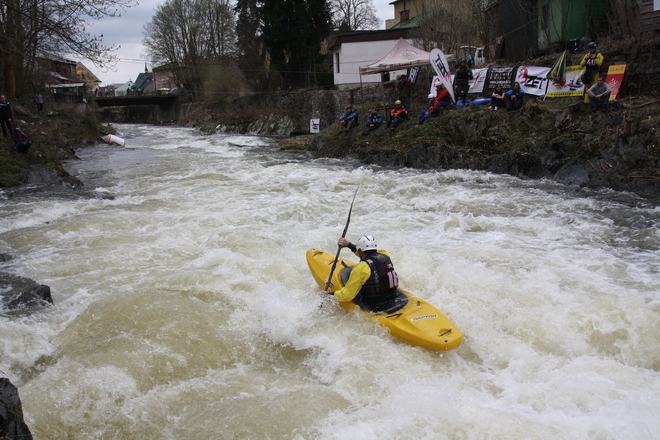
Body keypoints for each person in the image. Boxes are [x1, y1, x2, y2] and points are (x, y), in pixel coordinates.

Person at [320, 236, 407, 313]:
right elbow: (369, 255)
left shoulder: (361, 268)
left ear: (360, 250)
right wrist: (348, 244)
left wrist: (329, 295)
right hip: (395, 298)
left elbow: (347, 296)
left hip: (377, 305)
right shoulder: (386, 255)